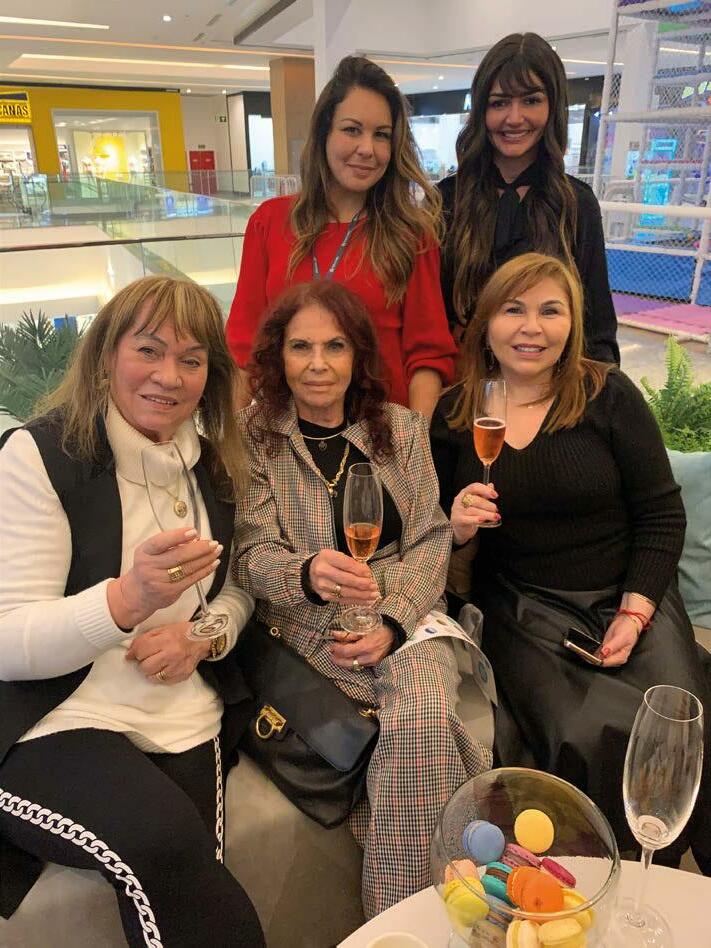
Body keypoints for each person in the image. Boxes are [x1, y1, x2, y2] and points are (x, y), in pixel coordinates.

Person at [0, 276, 265, 946]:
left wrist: (203, 636)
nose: (168, 377)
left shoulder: (214, 464)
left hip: (181, 710)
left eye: (190, 359)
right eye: (148, 350)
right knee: (166, 843)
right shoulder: (41, 454)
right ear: (106, 355)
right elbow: (7, 642)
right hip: (52, 713)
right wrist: (126, 601)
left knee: (185, 874)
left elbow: (238, 589)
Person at [430, 252, 710, 870]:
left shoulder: (608, 395)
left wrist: (634, 613)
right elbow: (432, 542)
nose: (532, 327)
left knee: (676, 716)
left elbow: (662, 515)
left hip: (626, 593)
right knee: (577, 728)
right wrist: (457, 527)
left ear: (573, 322)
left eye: (550, 311)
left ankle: (658, 874)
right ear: (487, 322)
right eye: (514, 309)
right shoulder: (455, 414)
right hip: (525, 606)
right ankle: (586, 876)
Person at [233, 280, 491, 917]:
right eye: (301, 347)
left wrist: (395, 622)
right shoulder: (254, 438)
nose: (317, 364)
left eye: (335, 346)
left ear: (358, 355)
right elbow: (251, 555)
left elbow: (431, 537)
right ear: (278, 356)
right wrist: (306, 575)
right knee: (426, 729)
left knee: (421, 712)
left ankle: (392, 918)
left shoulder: (400, 429)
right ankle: (442, 902)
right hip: (309, 624)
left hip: (404, 609)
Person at [226, 55, 457, 419]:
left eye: (381, 135)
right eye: (352, 130)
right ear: (324, 134)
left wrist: (415, 442)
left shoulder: (411, 234)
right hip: (288, 435)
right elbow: (244, 347)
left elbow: (427, 355)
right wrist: (229, 440)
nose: (367, 148)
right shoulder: (269, 222)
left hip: (381, 433)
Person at [438, 32, 619, 363]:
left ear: (553, 106)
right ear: (481, 110)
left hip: (550, 384)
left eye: (531, 101)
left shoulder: (576, 203)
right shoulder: (447, 199)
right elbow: (428, 321)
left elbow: (597, 331)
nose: (514, 118)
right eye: (499, 102)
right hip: (462, 381)